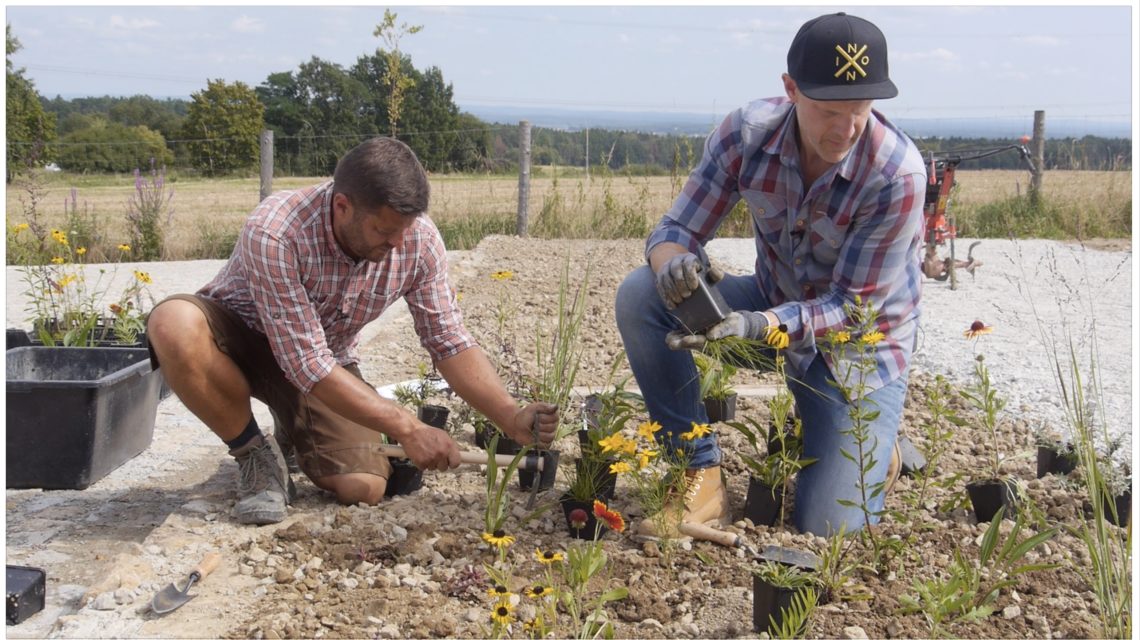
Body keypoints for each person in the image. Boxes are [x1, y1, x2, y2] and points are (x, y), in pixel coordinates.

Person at [615, 12, 924, 538]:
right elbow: (674, 230)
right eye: (829, 110)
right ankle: (700, 476)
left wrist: (759, 325)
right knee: (641, 294)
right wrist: (673, 266)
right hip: (771, 304)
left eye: (860, 109)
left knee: (827, 532)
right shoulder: (747, 134)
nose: (846, 128)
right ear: (791, 90)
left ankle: (878, 448)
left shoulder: (896, 175)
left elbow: (852, 308)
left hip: (857, 351)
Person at [146, 137, 559, 525]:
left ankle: (292, 428)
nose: (397, 242)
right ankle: (253, 453)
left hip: (325, 361)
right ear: (342, 206)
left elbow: (448, 341)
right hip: (239, 340)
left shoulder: (419, 242)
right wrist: (409, 428)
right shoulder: (276, 230)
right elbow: (304, 362)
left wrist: (510, 415)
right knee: (172, 324)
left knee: (362, 488)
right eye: (383, 230)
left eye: (405, 229)